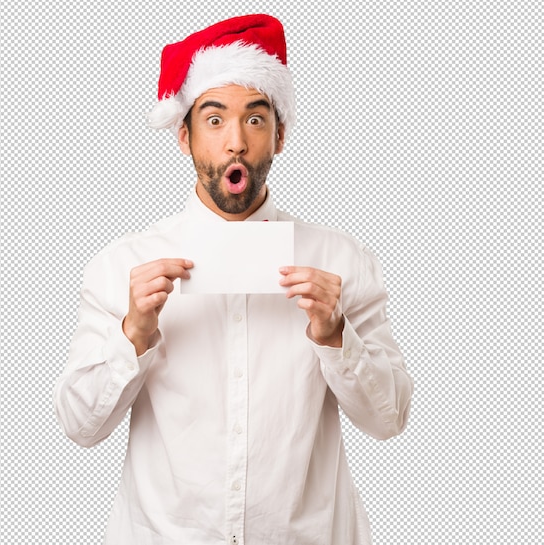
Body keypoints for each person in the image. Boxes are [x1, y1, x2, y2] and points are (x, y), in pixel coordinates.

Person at [53, 14, 413, 545]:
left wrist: (336, 336)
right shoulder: (121, 266)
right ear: (185, 137)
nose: (236, 143)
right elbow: (80, 427)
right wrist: (133, 334)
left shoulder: (342, 260)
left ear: (280, 135)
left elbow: (390, 418)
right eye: (215, 120)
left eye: (255, 119)